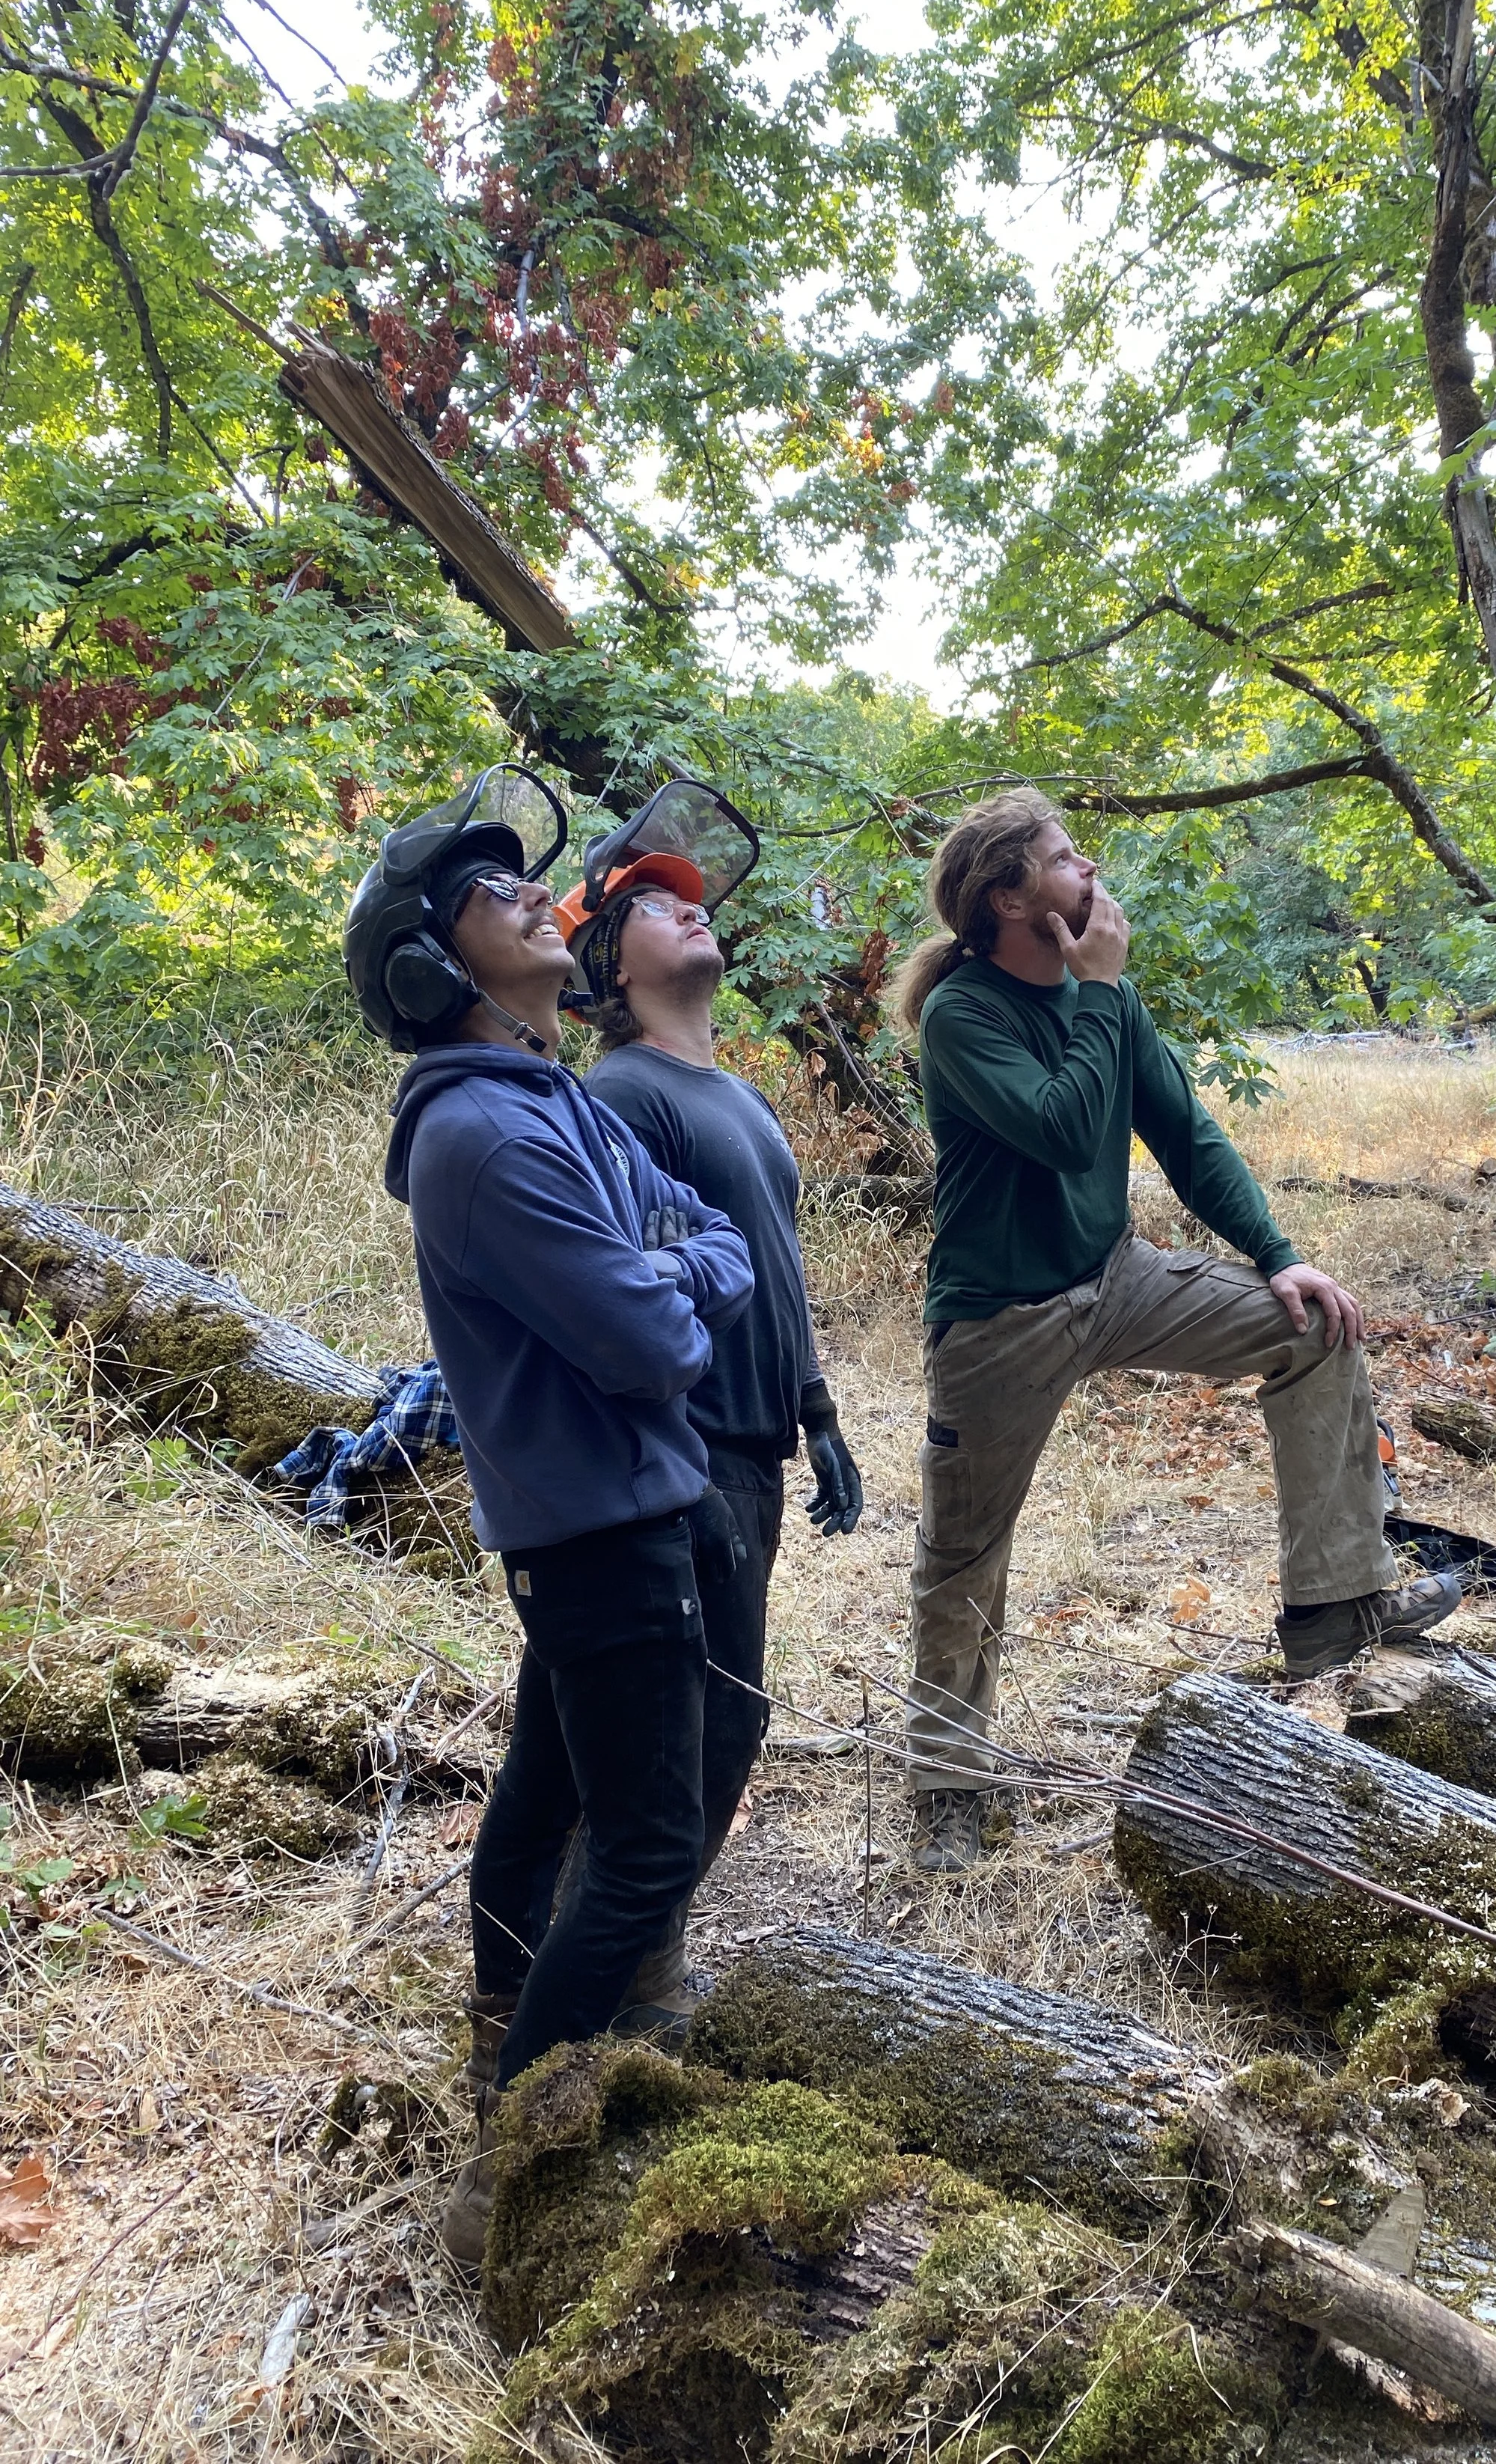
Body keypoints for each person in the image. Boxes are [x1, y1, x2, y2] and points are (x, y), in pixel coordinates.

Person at [893, 790, 1459, 1873]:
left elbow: (1187, 1139)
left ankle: (1334, 1611)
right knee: (963, 1554)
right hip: (998, 1320)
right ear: (1010, 896)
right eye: (1064, 857)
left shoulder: (1109, 1001)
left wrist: (1280, 1253)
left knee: (1316, 1330)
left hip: (1118, 1277)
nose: (1089, 865)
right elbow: (1061, 1131)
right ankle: (950, 1783)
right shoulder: (966, 1015)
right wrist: (1098, 990)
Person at [344, 781, 755, 2266]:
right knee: (644, 1849)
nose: (533, 897)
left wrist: (678, 1274)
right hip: (602, 1533)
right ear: (429, 968)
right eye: (487, 891)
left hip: (615, 1510)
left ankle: (494, 2021)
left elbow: (694, 1232)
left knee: (537, 1791)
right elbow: (654, 1339)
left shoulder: (555, 1098)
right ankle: (514, 2145)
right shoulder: (484, 1144)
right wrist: (682, 1282)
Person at [551, 841, 864, 2025]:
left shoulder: (732, 1093)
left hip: (756, 1447)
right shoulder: (623, 1093)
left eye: (688, 897)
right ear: (605, 974)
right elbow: (620, 1294)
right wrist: (674, 1468)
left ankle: (616, 1964)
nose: (684, 910)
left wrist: (820, 1411)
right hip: (690, 1455)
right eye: (647, 907)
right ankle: (624, 1988)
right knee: (695, 1730)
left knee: (702, 1720)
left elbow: (772, 1270)